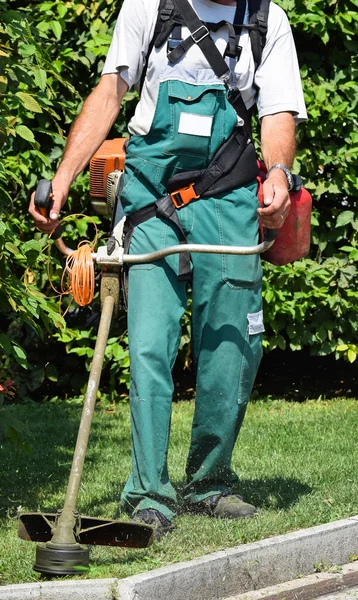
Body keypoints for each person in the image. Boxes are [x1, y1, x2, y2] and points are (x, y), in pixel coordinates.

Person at [29, 0, 307, 540]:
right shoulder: (148, 8)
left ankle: (208, 483)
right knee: (149, 346)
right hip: (151, 201)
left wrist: (276, 172)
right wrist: (64, 175)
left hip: (227, 197)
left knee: (231, 347)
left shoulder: (266, 20)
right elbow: (110, 93)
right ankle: (148, 493)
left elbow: (277, 114)